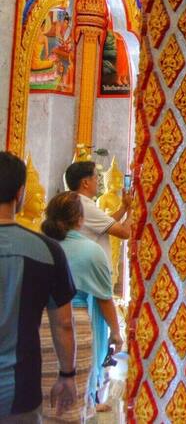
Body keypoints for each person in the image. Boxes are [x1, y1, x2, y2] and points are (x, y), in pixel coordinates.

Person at [0, 152, 78, 422]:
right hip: (19, 390)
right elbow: (63, 323)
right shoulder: (47, 250)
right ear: (20, 193)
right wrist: (67, 374)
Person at [40, 192, 124, 418]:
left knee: (43, 395)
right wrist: (116, 333)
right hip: (76, 323)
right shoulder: (91, 251)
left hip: (39, 323)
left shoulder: (40, 246)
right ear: (80, 219)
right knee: (72, 400)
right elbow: (104, 298)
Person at [64, 161, 132, 263]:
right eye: (96, 178)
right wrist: (132, 209)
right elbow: (125, 233)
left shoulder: (77, 202)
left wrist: (124, 207)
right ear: (85, 183)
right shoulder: (85, 206)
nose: (99, 182)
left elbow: (105, 222)